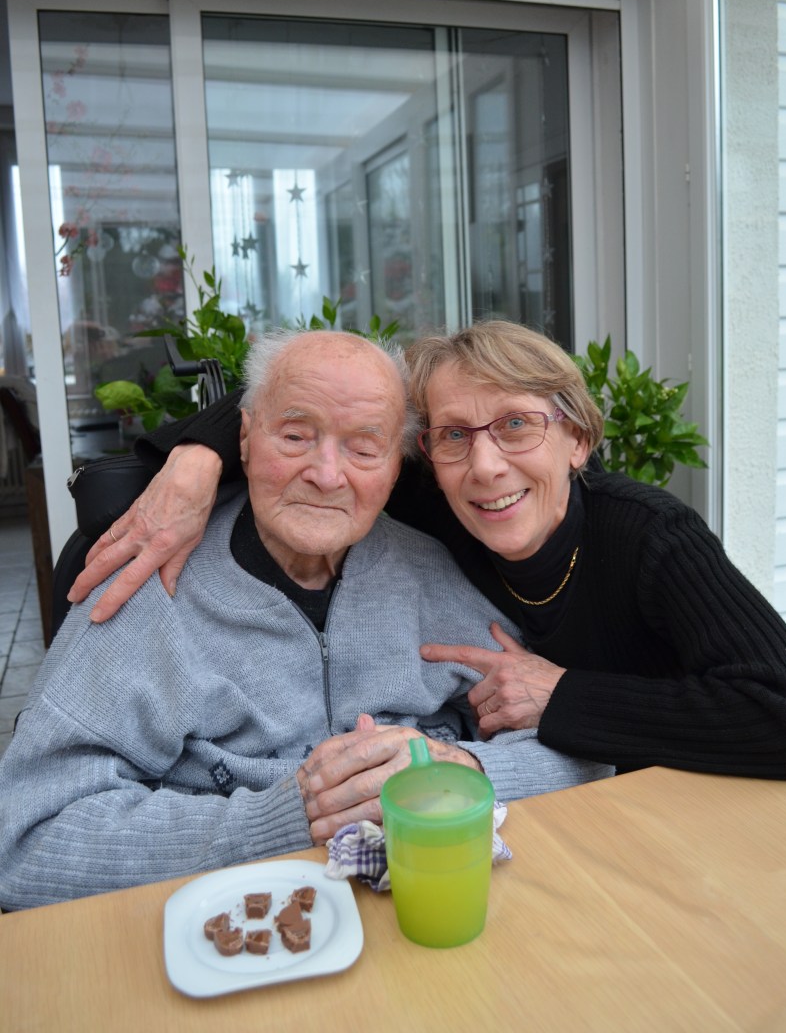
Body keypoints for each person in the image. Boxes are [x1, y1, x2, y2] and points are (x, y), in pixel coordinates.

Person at [0, 329, 610, 912]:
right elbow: (24, 840)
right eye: (295, 436)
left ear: (397, 468)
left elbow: (582, 749)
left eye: (364, 446)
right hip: (236, 938)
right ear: (243, 441)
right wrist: (287, 820)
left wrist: (465, 770)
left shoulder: (437, 572)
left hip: (431, 914)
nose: (325, 473)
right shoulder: (148, 587)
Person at [68, 321, 786, 780]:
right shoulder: (430, 497)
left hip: (673, 809)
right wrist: (193, 462)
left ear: (577, 439)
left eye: (517, 425)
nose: (485, 468)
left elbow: (781, 713)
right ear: (421, 453)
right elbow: (323, 401)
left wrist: (562, 696)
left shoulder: (645, 535)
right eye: (453, 435)